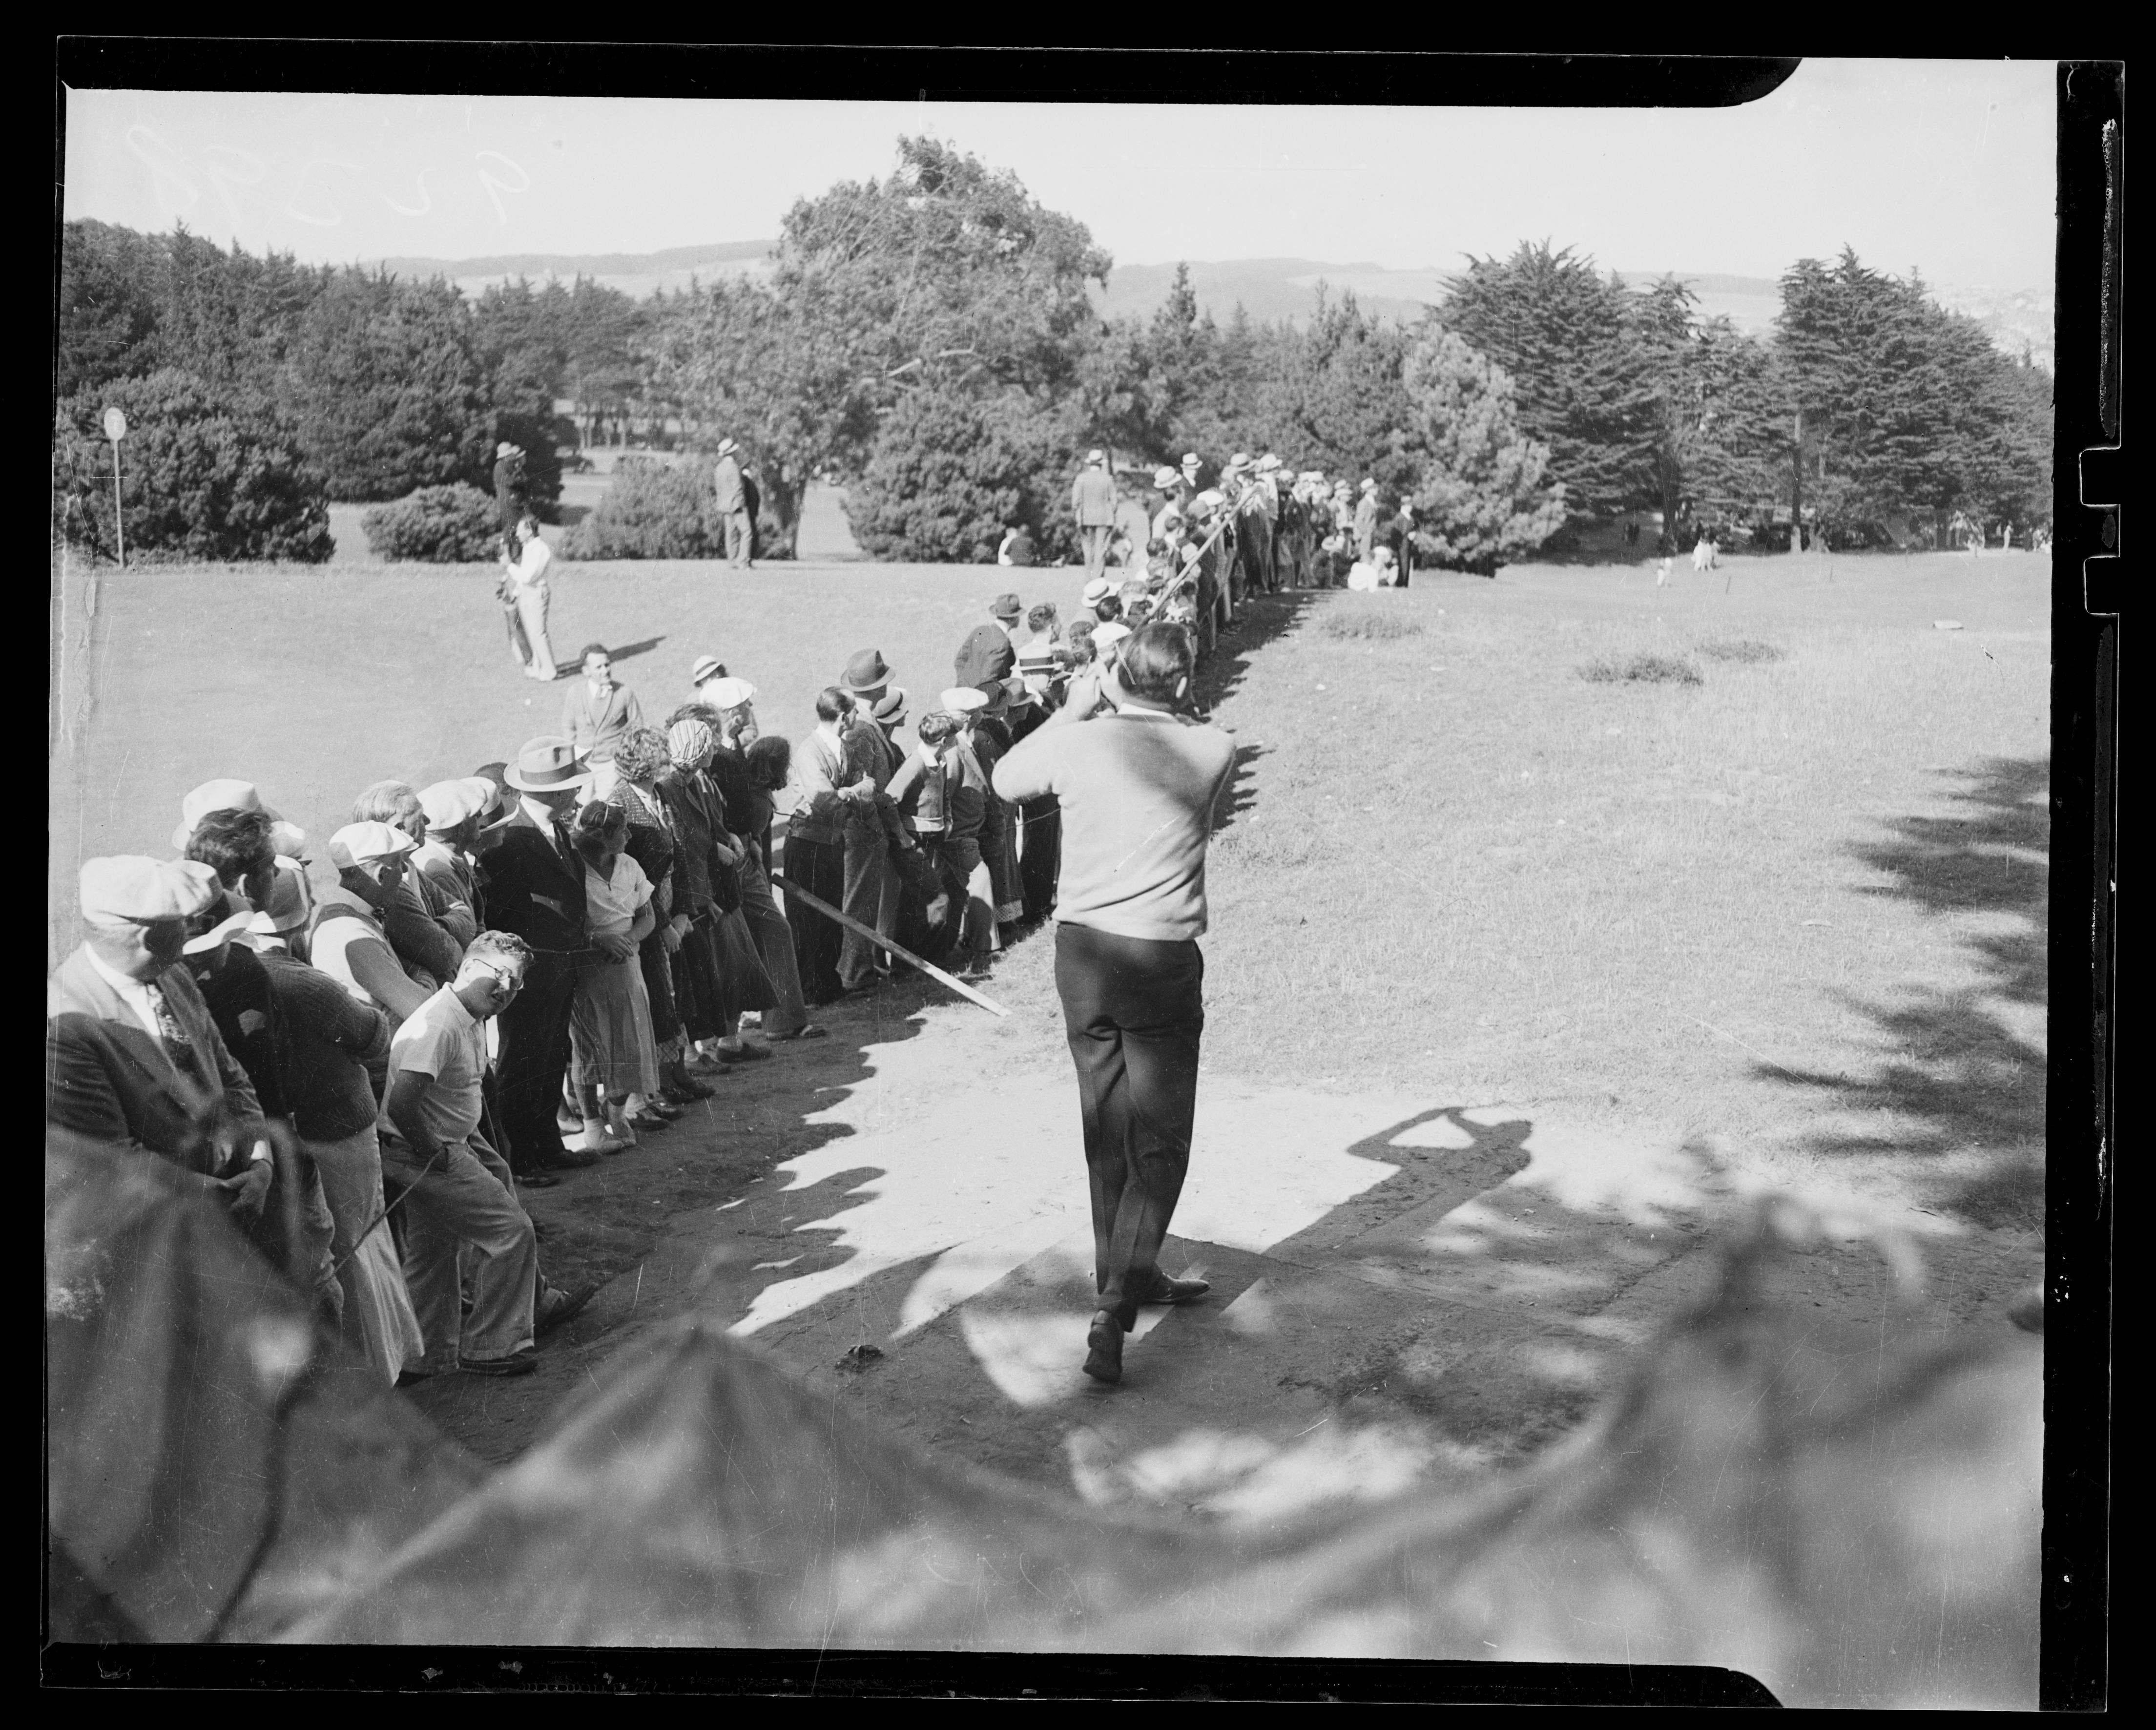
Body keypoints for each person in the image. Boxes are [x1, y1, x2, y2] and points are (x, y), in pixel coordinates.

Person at [992, 623, 1235, 1386]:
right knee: (1159, 1141)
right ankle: (1117, 1300)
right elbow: (1184, 732)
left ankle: (1127, 1276)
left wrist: (1078, 705)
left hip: (1084, 957)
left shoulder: (1078, 740)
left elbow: (1005, 778)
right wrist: (1124, 693)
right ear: (1187, 682)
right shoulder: (1212, 746)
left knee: (1108, 1127)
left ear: (1117, 679)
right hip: (1158, 959)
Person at [247, 859, 427, 1386]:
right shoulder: (300, 982)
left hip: (293, 1132)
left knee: (342, 1247)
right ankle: (384, 1368)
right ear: (299, 921)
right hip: (337, 1127)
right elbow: (372, 1032)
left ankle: (388, 1359)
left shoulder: (247, 976)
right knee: (361, 1243)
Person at [386, 933, 594, 1380]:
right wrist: (434, 1152)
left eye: (515, 983)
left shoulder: (471, 1015)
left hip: (436, 1142)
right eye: (496, 974)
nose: (505, 988)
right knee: (510, 1231)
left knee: (433, 1249)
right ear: (466, 968)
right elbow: (401, 1104)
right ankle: (491, 1346)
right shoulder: (440, 1024)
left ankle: (424, 1356)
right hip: (419, 1146)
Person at [46, 856, 276, 1228]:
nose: (192, 930)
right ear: (148, 937)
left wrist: (260, 1161)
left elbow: (230, 1078)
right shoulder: (66, 1027)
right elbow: (112, 1159)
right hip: (157, 1233)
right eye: (183, 922)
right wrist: (222, 1194)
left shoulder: (173, 975)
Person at [472, 738, 605, 1181]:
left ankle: (548, 1144)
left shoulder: (557, 830)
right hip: (530, 974)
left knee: (553, 1053)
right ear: (556, 792)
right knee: (523, 1060)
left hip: (562, 967)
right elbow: (501, 915)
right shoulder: (510, 842)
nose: (577, 793)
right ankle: (522, 1158)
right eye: (572, 785)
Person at [701, 679, 822, 1042]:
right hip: (732, 862)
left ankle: (772, 1021)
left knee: (757, 937)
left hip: (743, 857)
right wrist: (747, 840)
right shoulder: (720, 756)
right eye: (743, 706)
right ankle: (778, 1021)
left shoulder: (732, 749)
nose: (748, 711)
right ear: (730, 713)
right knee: (769, 932)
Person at [605, 726, 706, 1105]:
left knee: (678, 995)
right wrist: (663, 925)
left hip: (671, 907)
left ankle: (679, 1073)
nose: (669, 761)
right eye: (661, 756)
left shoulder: (661, 793)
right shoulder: (620, 804)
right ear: (644, 764)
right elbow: (635, 875)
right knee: (658, 999)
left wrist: (683, 913)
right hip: (644, 915)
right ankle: (659, 1084)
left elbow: (680, 854)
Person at [564, 800, 661, 1153]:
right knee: (590, 1048)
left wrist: (628, 941)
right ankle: (593, 1127)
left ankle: (617, 1113)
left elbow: (647, 916)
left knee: (630, 1042)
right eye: (623, 830)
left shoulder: (630, 865)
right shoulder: (574, 869)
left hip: (627, 965)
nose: (630, 835)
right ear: (603, 837)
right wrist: (597, 940)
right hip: (588, 967)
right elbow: (566, 921)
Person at [785, 688, 877, 1004]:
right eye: (853, 711)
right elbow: (824, 801)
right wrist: (850, 797)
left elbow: (869, 783)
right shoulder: (810, 753)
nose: (856, 716)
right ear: (843, 716)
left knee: (832, 917)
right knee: (809, 920)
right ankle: (811, 990)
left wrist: (847, 794)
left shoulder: (843, 747)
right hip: (807, 846)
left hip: (832, 843)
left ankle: (830, 983)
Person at [312, 822, 437, 1024]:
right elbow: (424, 1009)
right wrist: (425, 976)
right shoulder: (350, 932)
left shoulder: (342, 916)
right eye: (398, 864)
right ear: (381, 875)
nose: (404, 870)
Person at [351, 781, 467, 983]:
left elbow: (466, 914)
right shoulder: (390, 888)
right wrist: (446, 933)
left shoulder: (410, 867)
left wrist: (437, 928)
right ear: (398, 828)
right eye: (420, 817)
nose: (428, 821)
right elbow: (444, 957)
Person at [836, 649, 905, 990]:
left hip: (866, 827)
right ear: (877, 689)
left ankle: (860, 970)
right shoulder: (863, 730)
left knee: (864, 901)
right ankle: (855, 973)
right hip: (863, 828)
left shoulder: (863, 723)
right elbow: (863, 784)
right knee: (859, 902)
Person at [561, 644, 644, 777]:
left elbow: (637, 728)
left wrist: (626, 757)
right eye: (599, 667)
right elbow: (568, 727)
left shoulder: (624, 693)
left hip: (613, 766)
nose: (605, 671)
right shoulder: (575, 692)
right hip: (584, 766)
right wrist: (574, 759)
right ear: (586, 671)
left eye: (607, 665)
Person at [500, 516, 559, 682]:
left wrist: (509, 566)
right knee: (532, 634)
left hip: (537, 593)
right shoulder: (528, 548)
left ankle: (550, 670)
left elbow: (528, 577)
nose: (517, 534)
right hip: (527, 593)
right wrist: (516, 593)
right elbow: (523, 580)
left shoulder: (540, 549)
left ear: (529, 531)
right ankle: (538, 667)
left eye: (520, 530)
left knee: (539, 633)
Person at [1072, 449, 1118, 583]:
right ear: (1101, 464)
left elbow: (1075, 502)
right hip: (1104, 518)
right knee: (1100, 551)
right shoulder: (1108, 479)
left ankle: (1089, 581)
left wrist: (1078, 513)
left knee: (1088, 551)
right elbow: (1114, 502)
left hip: (1085, 518)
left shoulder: (1081, 478)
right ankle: (1098, 581)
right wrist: (1111, 513)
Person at [714, 438, 752, 569]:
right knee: (747, 532)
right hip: (736, 505)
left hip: (724, 505)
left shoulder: (719, 468)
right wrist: (742, 504)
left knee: (731, 534)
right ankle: (743, 561)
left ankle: (732, 560)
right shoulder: (734, 467)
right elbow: (738, 488)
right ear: (732, 453)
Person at [493, 441, 528, 553]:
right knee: (511, 530)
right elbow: (513, 482)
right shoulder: (501, 466)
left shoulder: (505, 465)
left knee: (514, 529)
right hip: (508, 502)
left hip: (511, 501)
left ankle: (512, 554)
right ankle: (507, 555)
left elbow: (522, 481)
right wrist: (518, 471)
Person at [1353, 478, 1381, 563]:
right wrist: (1366, 533)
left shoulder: (1372, 502)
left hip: (1371, 535)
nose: (1377, 489)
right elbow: (1359, 521)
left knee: (1369, 559)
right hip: (1366, 537)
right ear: (1368, 490)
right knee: (1365, 559)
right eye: (1374, 488)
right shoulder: (1364, 503)